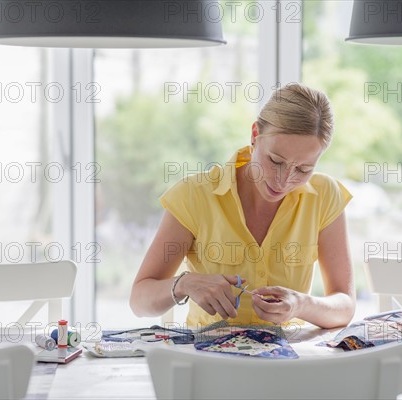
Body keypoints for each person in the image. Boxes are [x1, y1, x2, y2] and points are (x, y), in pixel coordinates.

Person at [130, 83, 355, 329]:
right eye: (275, 161)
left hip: (289, 360)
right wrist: (184, 284)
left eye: (303, 169)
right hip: (209, 359)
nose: (284, 180)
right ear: (255, 136)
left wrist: (301, 305)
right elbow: (139, 301)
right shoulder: (195, 195)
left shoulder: (325, 196)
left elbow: (344, 306)